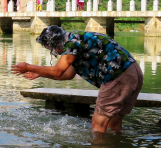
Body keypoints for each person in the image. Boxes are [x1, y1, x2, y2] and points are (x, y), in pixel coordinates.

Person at [12, 25, 143, 134]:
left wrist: (29, 67)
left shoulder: (72, 43)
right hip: (132, 73)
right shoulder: (78, 40)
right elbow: (67, 75)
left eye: (51, 49)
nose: (55, 53)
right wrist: (41, 73)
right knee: (113, 122)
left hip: (117, 76)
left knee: (98, 121)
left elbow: (58, 70)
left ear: (55, 43)